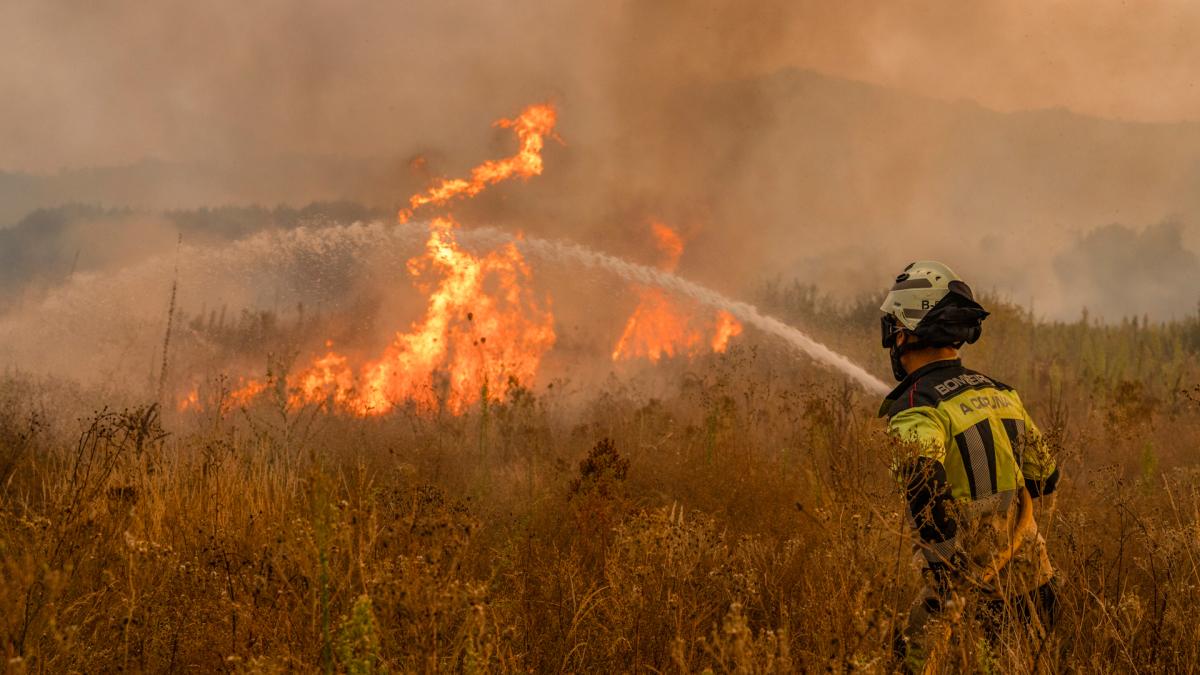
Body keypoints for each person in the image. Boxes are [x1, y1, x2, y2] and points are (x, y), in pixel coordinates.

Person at [878, 261, 1061, 671]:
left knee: (908, 663)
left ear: (904, 330)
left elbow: (922, 486)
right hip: (1035, 586)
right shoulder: (999, 392)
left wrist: (946, 575)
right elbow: (1046, 476)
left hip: (963, 595)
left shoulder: (916, 406)